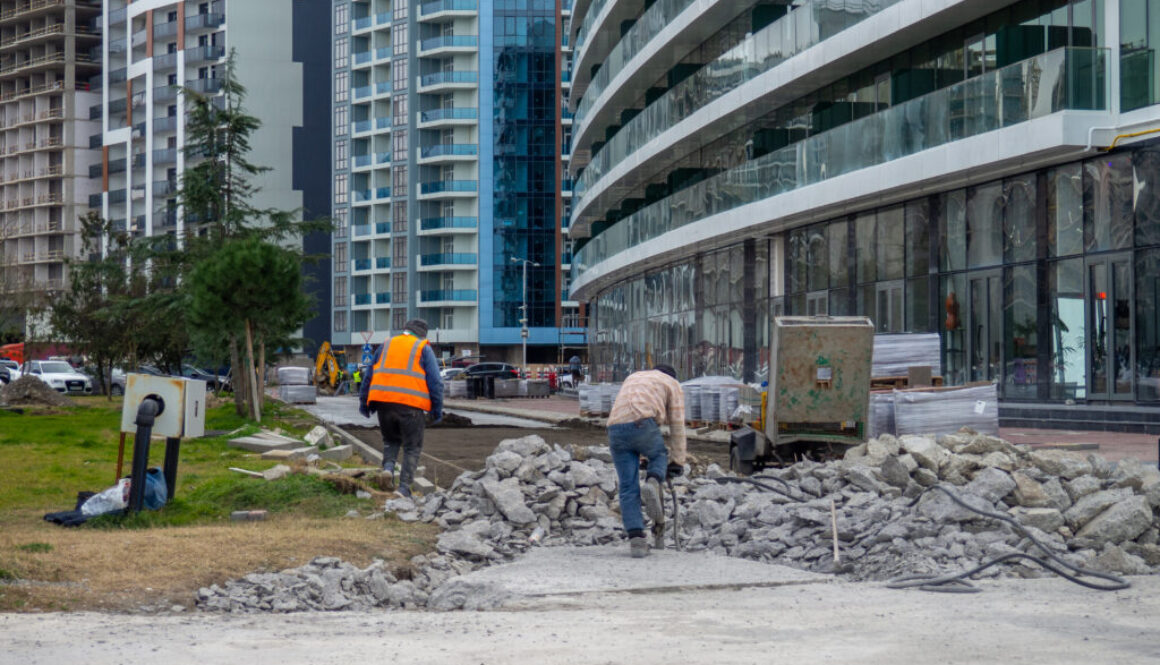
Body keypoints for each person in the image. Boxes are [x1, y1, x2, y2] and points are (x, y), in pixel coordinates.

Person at [606, 364, 686, 558]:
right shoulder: (672, 383)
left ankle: (637, 542)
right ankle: (652, 481)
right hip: (642, 422)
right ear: (672, 376)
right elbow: (677, 424)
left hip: (615, 428)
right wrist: (677, 461)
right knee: (659, 454)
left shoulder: (634, 376)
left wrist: (642, 454)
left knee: (627, 487)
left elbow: (630, 411)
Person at [359, 319, 444, 497]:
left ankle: (388, 469)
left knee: (390, 440)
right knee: (412, 447)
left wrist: (364, 402)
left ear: (405, 330)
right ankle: (404, 488)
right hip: (410, 406)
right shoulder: (422, 348)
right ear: (422, 335)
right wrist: (436, 410)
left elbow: (369, 375)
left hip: (382, 403)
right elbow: (436, 382)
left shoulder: (386, 345)